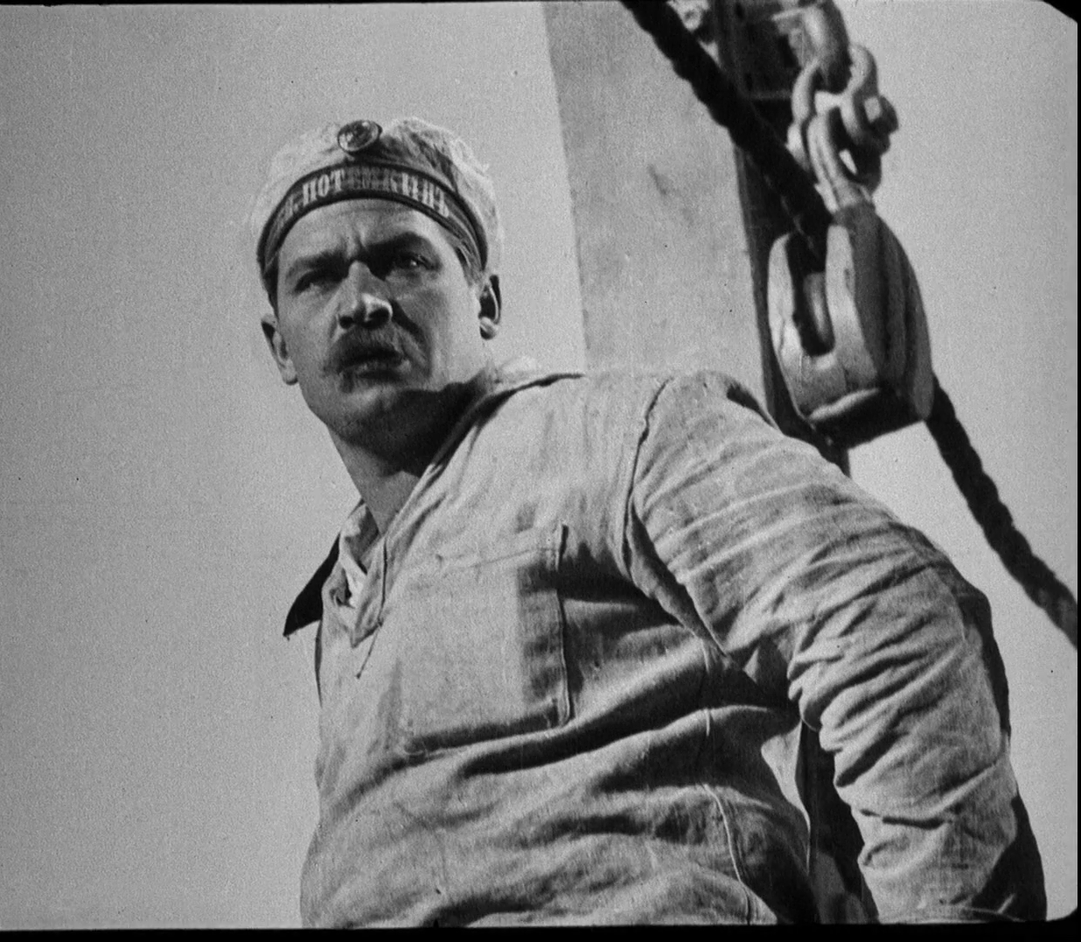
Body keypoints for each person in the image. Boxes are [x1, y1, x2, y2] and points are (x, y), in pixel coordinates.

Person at [249, 116, 1046, 925]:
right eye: (318, 278)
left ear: (484, 301)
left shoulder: (614, 437)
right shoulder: (342, 609)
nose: (363, 302)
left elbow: (892, 621)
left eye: (404, 261)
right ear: (280, 345)